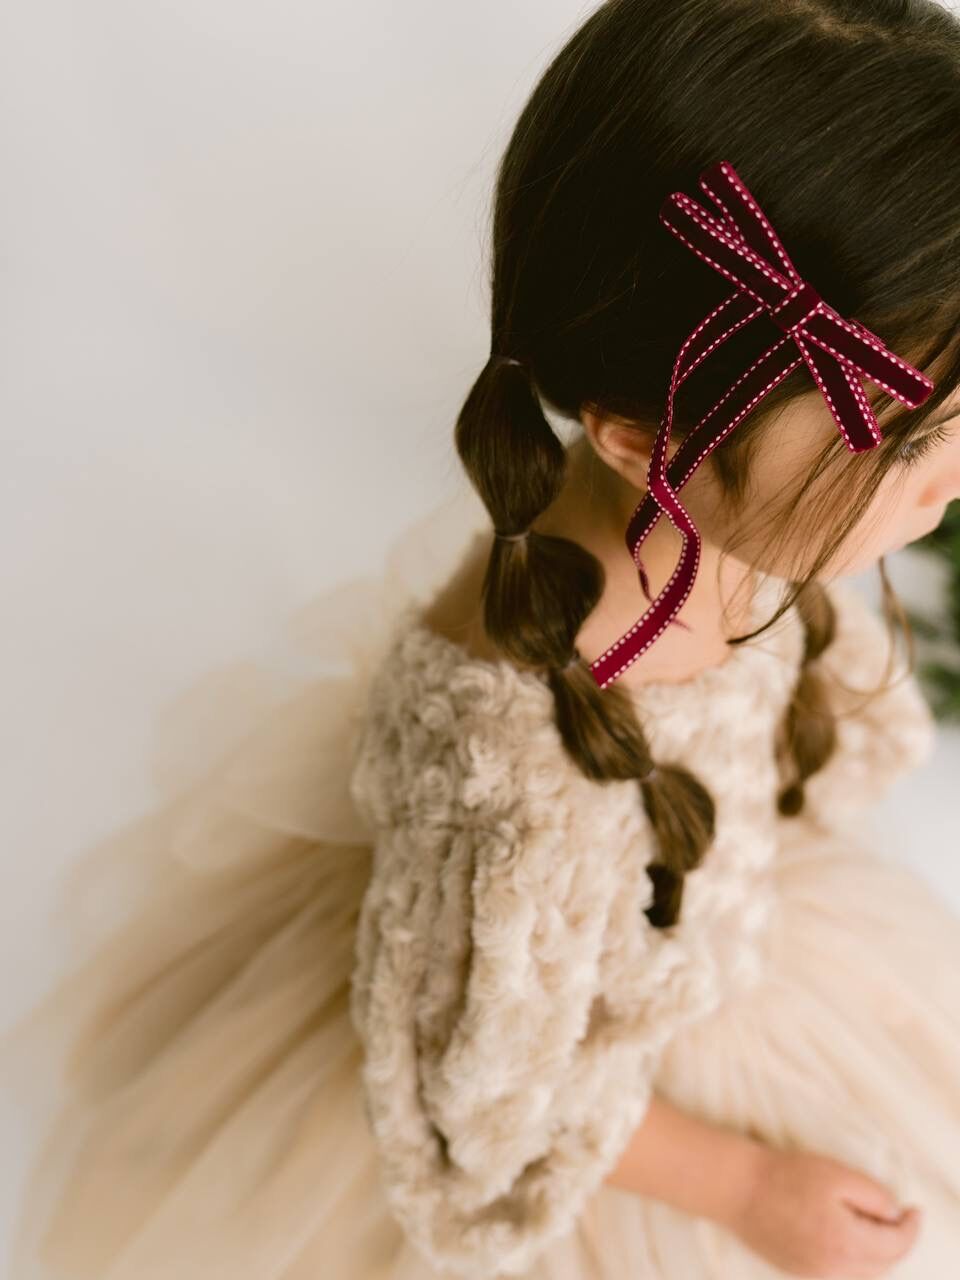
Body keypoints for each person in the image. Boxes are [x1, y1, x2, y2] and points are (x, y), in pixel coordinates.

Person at [6, 0, 960, 1276]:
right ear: (641, 437)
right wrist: (745, 1184)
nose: (952, 477)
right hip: (621, 1108)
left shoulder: (720, 514)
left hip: (720, 930)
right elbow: (498, 1100)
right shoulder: (518, 782)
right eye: (910, 440)